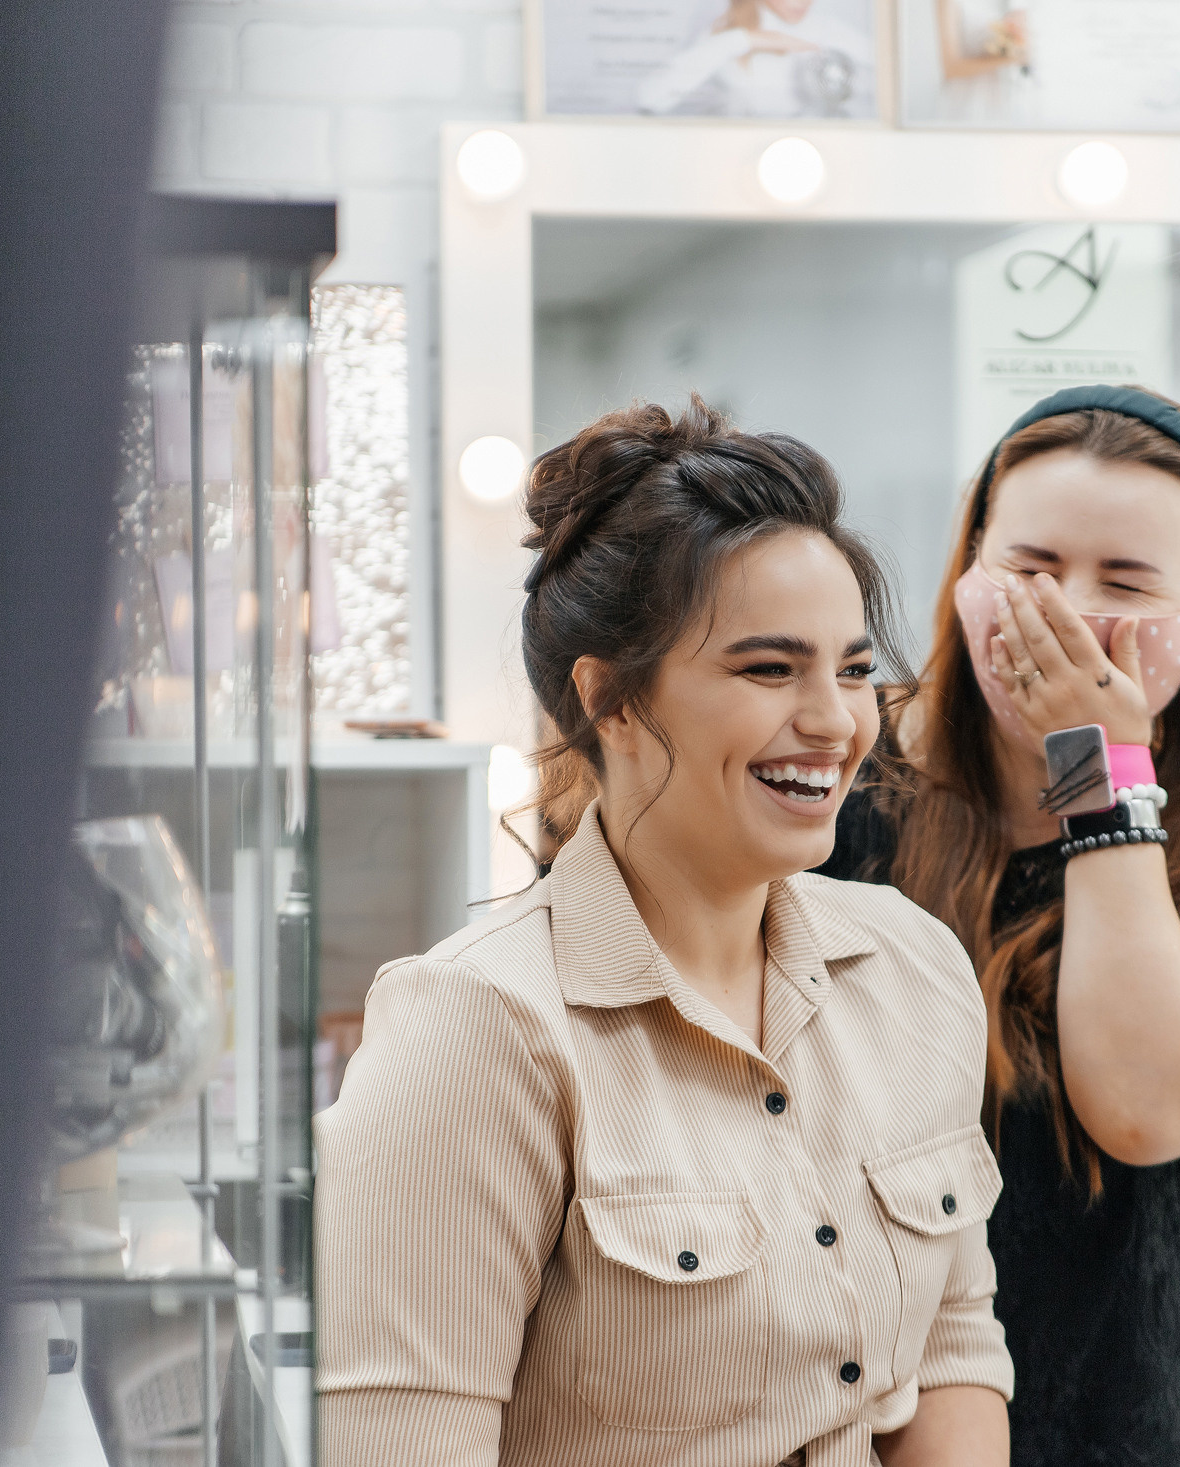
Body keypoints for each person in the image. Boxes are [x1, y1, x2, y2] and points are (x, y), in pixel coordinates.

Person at [315, 399, 1013, 1467]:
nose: (834, 719)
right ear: (614, 705)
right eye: (768, 670)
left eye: (856, 668)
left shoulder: (913, 967)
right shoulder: (480, 1029)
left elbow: (955, 1341)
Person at [818, 384, 1180, 1466]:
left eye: (1122, 584)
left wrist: (1099, 773)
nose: (1065, 613)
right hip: (829, 1416)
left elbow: (1145, 1110)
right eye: (1027, 571)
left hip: (1105, 1430)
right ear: (969, 569)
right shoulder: (839, 774)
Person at [636, 0, 873, 118]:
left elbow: (891, 95)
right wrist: (743, 39)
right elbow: (649, 98)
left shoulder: (832, 33)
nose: (800, 2)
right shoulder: (726, 36)